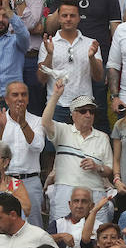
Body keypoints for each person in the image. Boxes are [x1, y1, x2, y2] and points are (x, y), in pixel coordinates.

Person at [42, 83, 113, 222]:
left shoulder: (103, 137)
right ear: (73, 114)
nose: (88, 115)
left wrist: (96, 167)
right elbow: (45, 122)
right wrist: (56, 95)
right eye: (83, 111)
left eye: (91, 111)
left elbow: (109, 170)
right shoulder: (63, 131)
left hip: (95, 192)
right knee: (61, 236)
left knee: (96, 236)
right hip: (65, 193)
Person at [0, 82, 45, 225]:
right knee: (3, 224)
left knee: (34, 225)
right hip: (4, 181)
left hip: (30, 180)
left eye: (23, 95)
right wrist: (1, 127)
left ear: (28, 99)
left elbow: (38, 147)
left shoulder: (37, 121)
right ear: (6, 99)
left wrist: (23, 123)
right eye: (15, 95)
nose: (20, 98)